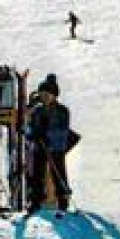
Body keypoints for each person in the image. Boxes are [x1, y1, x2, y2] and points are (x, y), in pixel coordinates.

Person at [26, 78, 73, 214]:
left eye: (47, 95)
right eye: (42, 95)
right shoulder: (37, 111)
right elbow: (30, 128)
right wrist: (32, 134)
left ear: (54, 95)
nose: (44, 97)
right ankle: (35, 202)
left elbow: (63, 131)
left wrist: (47, 136)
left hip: (56, 147)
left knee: (58, 173)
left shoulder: (62, 111)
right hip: (40, 147)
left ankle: (63, 201)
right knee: (37, 175)